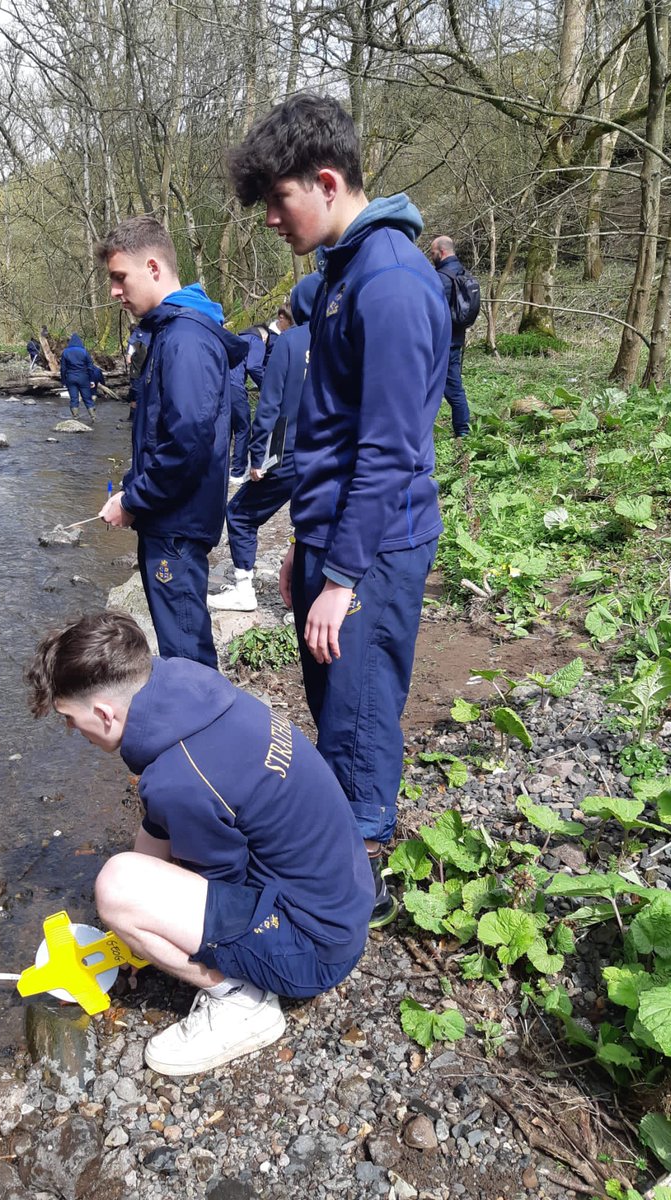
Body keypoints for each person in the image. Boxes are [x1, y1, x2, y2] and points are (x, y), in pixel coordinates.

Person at [229, 93, 450, 928]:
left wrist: (345, 573)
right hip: (337, 536)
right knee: (334, 703)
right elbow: (329, 435)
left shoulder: (390, 283)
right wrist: (305, 548)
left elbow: (390, 451)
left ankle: (358, 891)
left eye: (280, 203)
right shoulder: (340, 275)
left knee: (357, 712)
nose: (274, 223)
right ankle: (345, 859)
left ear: (326, 182)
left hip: (378, 544)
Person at [26, 610, 374, 1076]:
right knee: (135, 874)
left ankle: (241, 1004)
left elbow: (216, 880)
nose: (74, 733)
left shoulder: (180, 778)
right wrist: (134, 932)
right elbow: (166, 821)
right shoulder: (188, 692)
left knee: (115, 887)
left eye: (71, 719)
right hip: (345, 898)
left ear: (105, 713)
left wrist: (140, 923)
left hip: (314, 949)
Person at [96, 216, 246, 669]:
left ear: (154, 267)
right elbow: (165, 431)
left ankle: (205, 736)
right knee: (184, 646)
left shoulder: (184, 339)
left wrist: (134, 500)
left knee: (187, 655)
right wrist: (130, 487)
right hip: (173, 520)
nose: (114, 292)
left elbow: (187, 444)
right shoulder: (172, 332)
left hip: (176, 527)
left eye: (120, 277)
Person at [208, 273, 321, 612]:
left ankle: (244, 589)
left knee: (240, 514)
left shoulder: (289, 341)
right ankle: (313, 591)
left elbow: (270, 405)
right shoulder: (343, 336)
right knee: (312, 520)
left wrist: (259, 458)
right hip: (328, 454)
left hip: (286, 452)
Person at [429, 236, 471, 438]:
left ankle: (463, 432)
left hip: (441, 343)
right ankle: (461, 430)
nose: (431, 257)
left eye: (432, 253)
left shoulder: (439, 279)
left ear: (442, 252)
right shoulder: (463, 273)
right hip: (456, 339)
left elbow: (431, 313)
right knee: (452, 387)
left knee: (452, 389)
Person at [228, 326, 267, 485]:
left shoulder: (235, 338)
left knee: (225, 429)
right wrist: (267, 386)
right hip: (235, 387)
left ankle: (223, 468)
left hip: (220, 387)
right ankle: (237, 471)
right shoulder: (256, 340)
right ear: (264, 336)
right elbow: (253, 366)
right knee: (243, 427)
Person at [60, 333, 97, 421]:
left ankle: (75, 417)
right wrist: (92, 379)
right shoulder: (84, 351)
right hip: (83, 377)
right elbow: (90, 366)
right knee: (87, 398)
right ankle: (93, 417)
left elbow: (63, 368)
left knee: (74, 398)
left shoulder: (65, 352)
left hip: (70, 377)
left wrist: (63, 380)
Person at [125, 324, 151, 420]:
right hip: (148, 373)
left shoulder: (132, 343)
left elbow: (128, 360)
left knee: (134, 395)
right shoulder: (149, 340)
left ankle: (132, 417)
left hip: (135, 373)